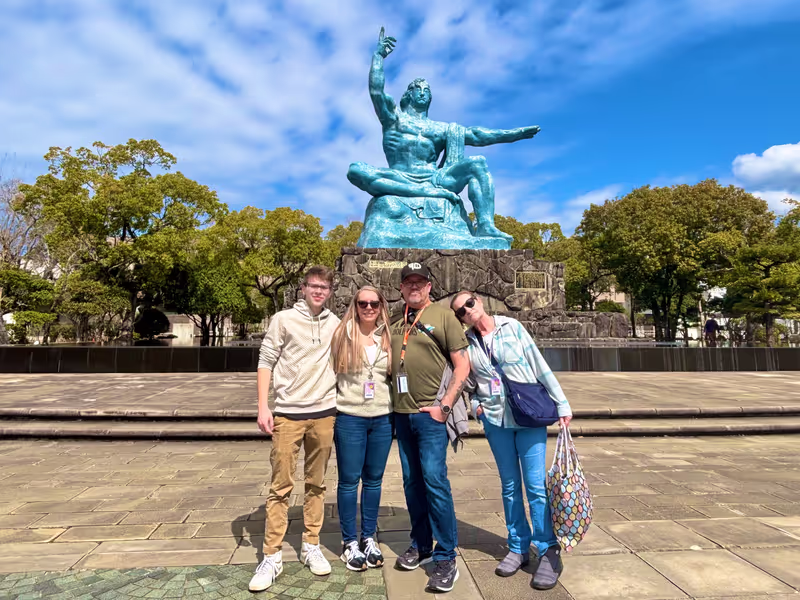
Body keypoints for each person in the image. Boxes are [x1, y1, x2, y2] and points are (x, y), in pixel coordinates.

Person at [450, 291, 572, 591]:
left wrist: (562, 403)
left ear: (479, 301)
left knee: (535, 486)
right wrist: (476, 408)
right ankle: (518, 546)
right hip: (496, 421)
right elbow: (467, 382)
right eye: (460, 311)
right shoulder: (466, 341)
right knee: (509, 486)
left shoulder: (512, 327)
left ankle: (547, 549)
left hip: (528, 417)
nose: (467, 311)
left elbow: (538, 364)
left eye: (469, 303)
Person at [249, 266, 341, 593]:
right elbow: (266, 361)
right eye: (313, 286)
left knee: (316, 483)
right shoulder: (283, 319)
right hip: (288, 413)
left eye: (324, 287)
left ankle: (310, 543)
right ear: (303, 288)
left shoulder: (335, 323)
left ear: (330, 291)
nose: (318, 291)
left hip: (325, 412)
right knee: (281, 484)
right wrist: (263, 406)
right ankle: (271, 554)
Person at [389, 263, 471, 593]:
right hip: (401, 414)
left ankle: (446, 556)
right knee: (412, 483)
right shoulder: (395, 322)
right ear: (401, 288)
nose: (414, 286)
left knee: (435, 481)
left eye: (419, 282)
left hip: (430, 416)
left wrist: (445, 406)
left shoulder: (443, 316)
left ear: (429, 286)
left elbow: (462, 365)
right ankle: (422, 545)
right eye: (408, 282)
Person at [329, 286, 394, 571]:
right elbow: (325, 372)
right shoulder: (342, 335)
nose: (369, 308)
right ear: (355, 305)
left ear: (381, 306)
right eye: (363, 303)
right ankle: (348, 542)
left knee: (374, 480)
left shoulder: (388, 337)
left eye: (374, 303)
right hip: (351, 417)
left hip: (383, 417)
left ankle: (368, 537)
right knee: (348, 481)